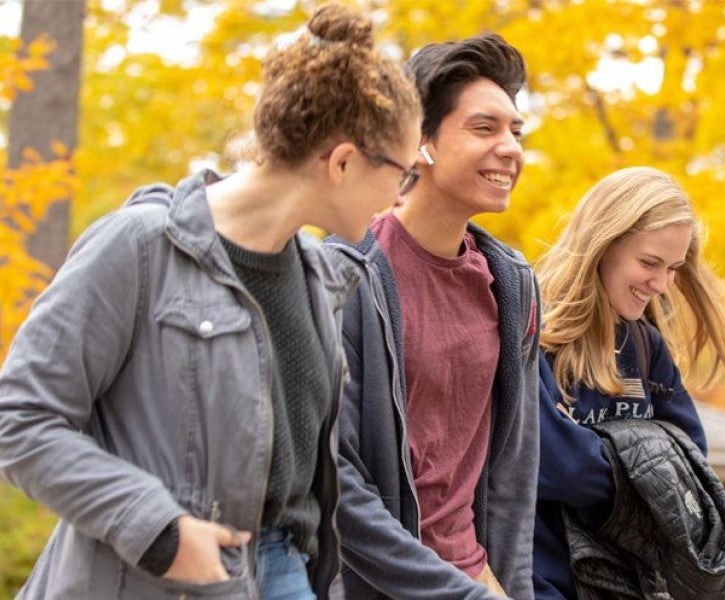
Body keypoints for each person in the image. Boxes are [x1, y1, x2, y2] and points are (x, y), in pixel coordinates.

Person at [0, 4, 421, 599]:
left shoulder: (320, 278)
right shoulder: (140, 247)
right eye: (403, 174)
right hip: (155, 576)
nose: (401, 197)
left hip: (285, 573)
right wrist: (160, 528)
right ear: (343, 162)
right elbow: (20, 418)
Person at [326, 33, 540, 599]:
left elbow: (515, 473)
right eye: (484, 128)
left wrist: (506, 588)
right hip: (377, 584)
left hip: (476, 578)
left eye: (515, 132)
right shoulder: (346, 275)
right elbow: (336, 479)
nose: (510, 148)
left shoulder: (513, 285)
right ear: (422, 141)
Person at [532, 166, 725, 599]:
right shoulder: (533, 334)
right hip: (542, 581)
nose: (661, 284)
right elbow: (552, 465)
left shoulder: (648, 347)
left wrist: (602, 457)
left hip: (631, 586)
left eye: (673, 268)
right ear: (602, 244)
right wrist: (643, 462)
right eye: (649, 263)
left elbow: (688, 465)